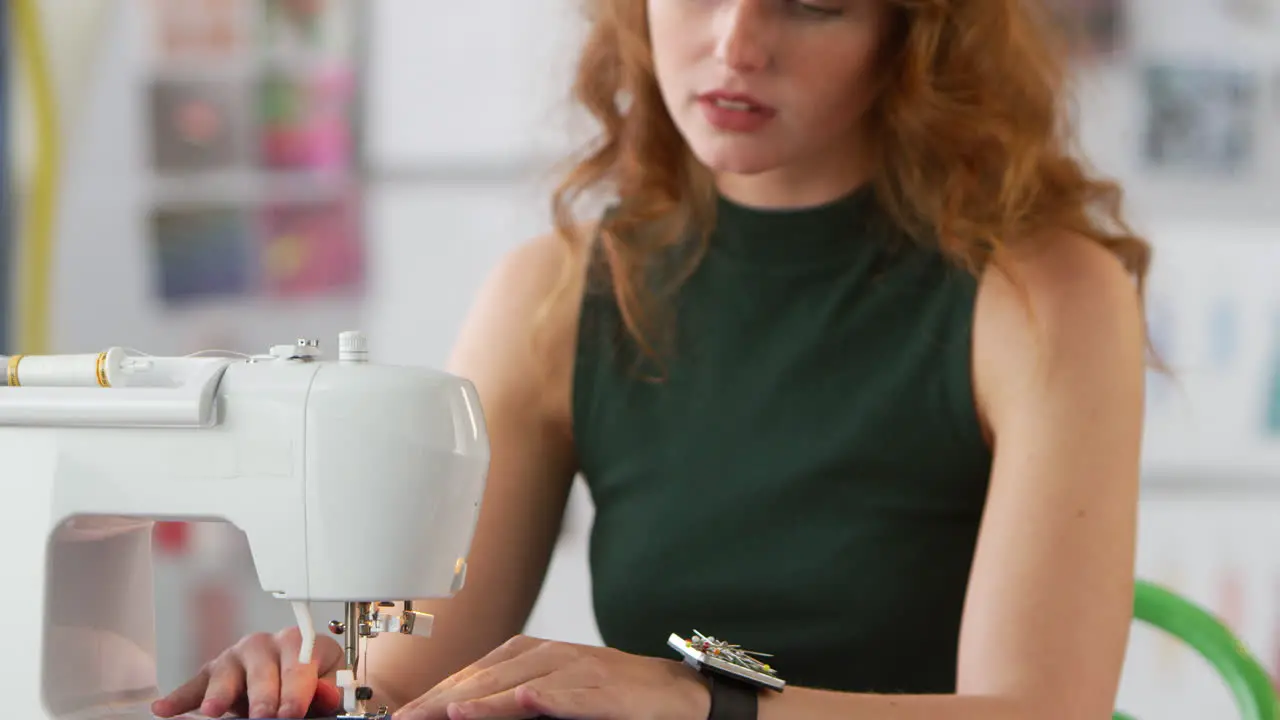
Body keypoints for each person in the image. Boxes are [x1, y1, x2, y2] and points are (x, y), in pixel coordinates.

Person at [154, 0, 1151, 718]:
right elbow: (412, 683)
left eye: (811, 4)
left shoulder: (1044, 298)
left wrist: (701, 703)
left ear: (913, 32)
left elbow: (1040, 713)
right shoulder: (552, 295)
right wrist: (313, 687)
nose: (736, 40)